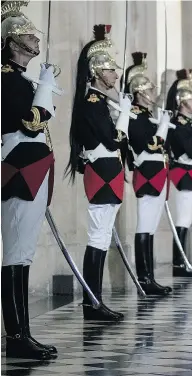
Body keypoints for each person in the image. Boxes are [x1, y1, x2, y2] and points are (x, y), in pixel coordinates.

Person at [1, 2, 60, 360]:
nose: (34, 38)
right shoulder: (6, 78)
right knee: (14, 255)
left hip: (32, 169)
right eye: (26, 34)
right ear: (10, 41)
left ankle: (23, 332)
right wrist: (46, 92)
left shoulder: (21, 79)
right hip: (19, 170)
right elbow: (30, 122)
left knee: (23, 255)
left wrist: (42, 87)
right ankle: (16, 336)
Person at [66, 24, 133, 321]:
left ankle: (95, 301)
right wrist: (125, 118)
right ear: (96, 72)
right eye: (110, 71)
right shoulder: (92, 103)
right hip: (102, 171)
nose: (115, 75)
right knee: (98, 236)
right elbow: (113, 139)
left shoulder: (101, 102)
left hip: (108, 171)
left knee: (103, 236)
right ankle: (92, 303)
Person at [124, 51, 172, 295]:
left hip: (157, 173)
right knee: (144, 225)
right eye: (151, 91)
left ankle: (149, 276)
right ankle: (144, 277)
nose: (154, 95)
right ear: (141, 93)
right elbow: (148, 145)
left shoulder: (146, 117)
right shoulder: (135, 117)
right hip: (147, 174)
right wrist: (162, 128)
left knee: (151, 226)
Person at [165, 69, 192, 278]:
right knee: (182, 219)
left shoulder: (190, 125)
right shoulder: (179, 125)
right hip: (184, 173)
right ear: (183, 102)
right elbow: (191, 150)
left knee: (187, 219)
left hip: (191, 172)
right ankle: (178, 264)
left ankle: (183, 261)